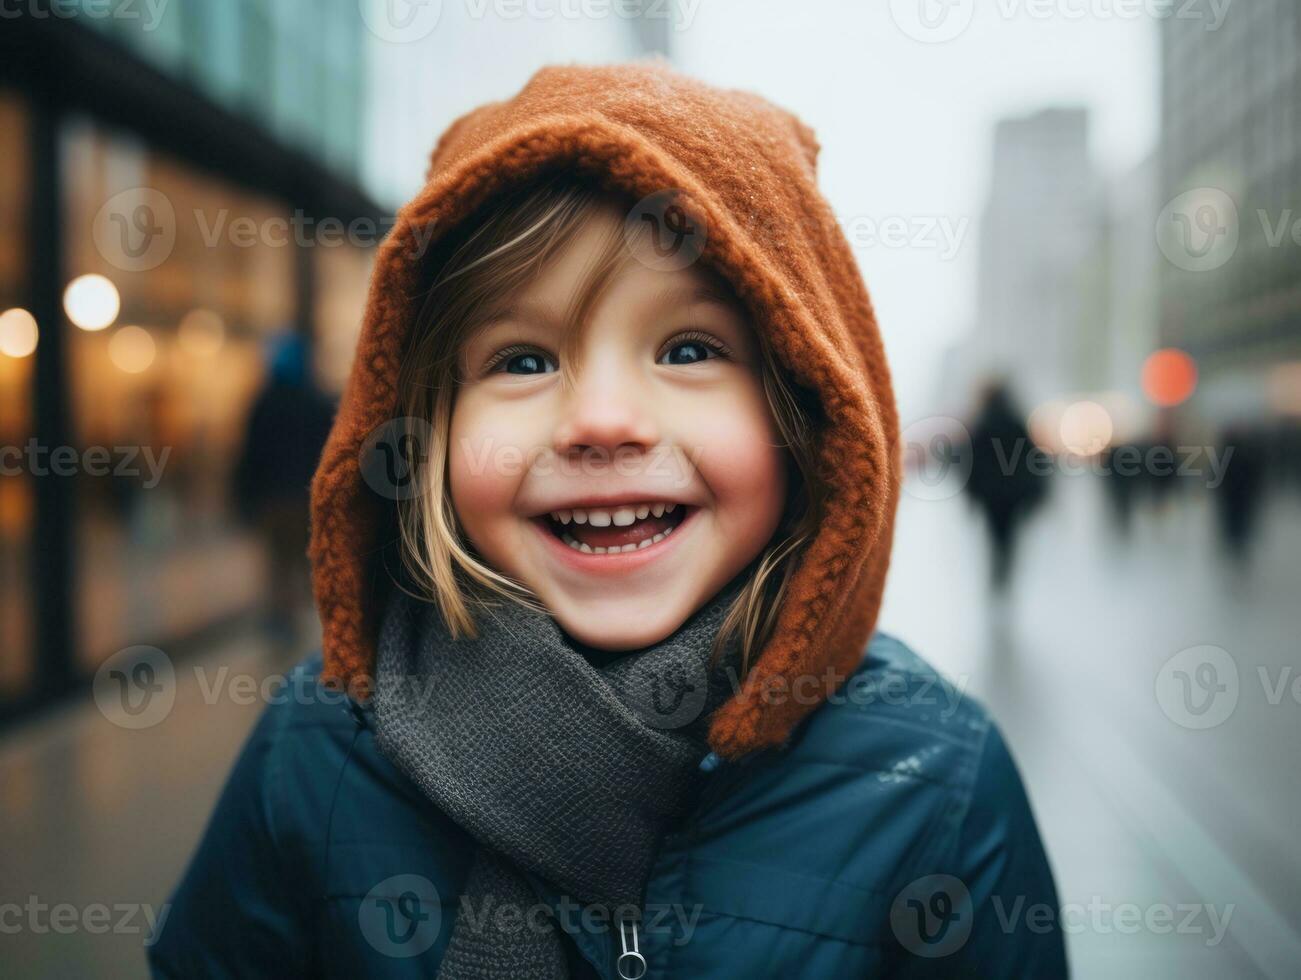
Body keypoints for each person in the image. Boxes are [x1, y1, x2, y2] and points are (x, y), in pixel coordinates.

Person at [148, 62, 1066, 979]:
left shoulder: (936, 786)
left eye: (689, 348)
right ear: (426, 429)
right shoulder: (312, 757)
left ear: (804, 413)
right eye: (521, 359)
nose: (600, 421)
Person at [231, 332, 336, 655]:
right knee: (299, 561)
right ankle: (296, 621)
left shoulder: (263, 403)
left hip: (274, 499)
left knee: (279, 563)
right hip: (303, 498)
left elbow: (249, 455)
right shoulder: (315, 402)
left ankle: (284, 620)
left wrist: (244, 497)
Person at [964, 381, 1049, 590]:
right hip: (1014, 493)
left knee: (995, 534)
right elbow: (1034, 459)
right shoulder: (1016, 423)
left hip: (991, 495)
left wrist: (972, 494)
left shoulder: (982, 425)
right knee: (1010, 534)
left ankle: (997, 571)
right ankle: (1006, 569)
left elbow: (973, 465)